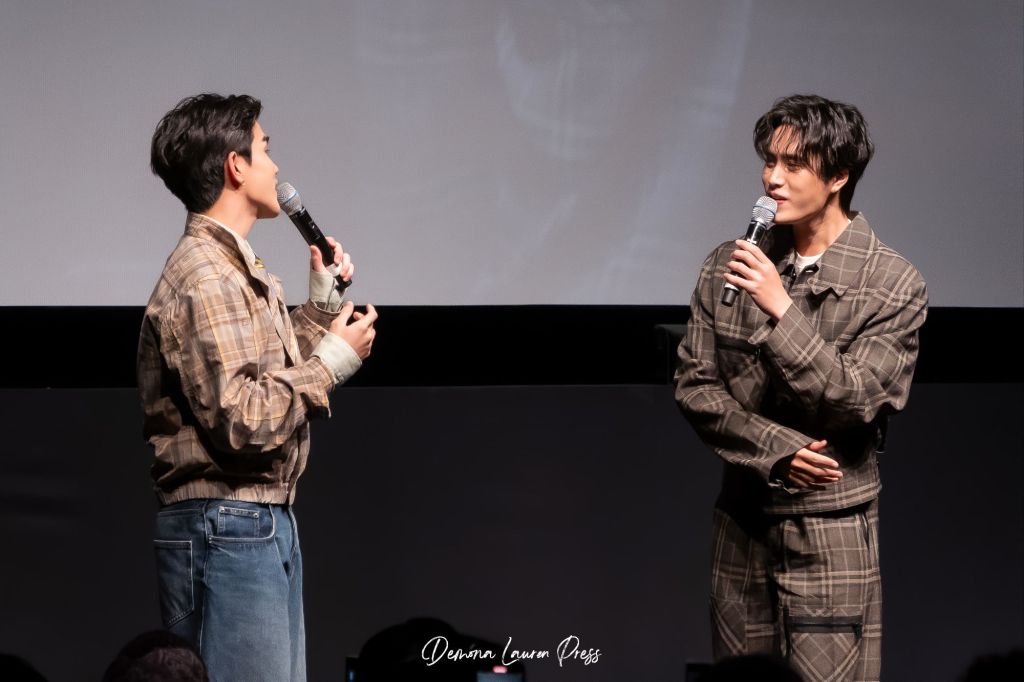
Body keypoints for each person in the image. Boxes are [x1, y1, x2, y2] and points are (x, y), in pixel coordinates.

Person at [675, 94, 927, 682]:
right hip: (742, 521)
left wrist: (782, 309)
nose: (772, 179)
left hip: (829, 527)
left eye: (794, 164)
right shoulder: (728, 264)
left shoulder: (892, 282)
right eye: (769, 161)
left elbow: (856, 398)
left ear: (839, 177)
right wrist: (779, 451)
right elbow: (696, 386)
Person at [138, 93, 377, 682]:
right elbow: (244, 419)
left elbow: (263, 377)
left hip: (253, 524)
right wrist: (332, 363)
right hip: (227, 527)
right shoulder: (206, 277)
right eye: (265, 149)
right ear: (235, 166)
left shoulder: (232, 270)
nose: (275, 167)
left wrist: (321, 306)